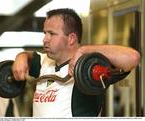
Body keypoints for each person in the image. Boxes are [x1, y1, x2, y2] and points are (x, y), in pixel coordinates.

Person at [12, 8, 140, 117]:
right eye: (45, 33)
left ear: (72, 38)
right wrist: (21, 56)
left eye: (51, 34)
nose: (45, 39)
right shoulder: (43, 62)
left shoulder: (90, 66)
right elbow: (29, 56)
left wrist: (83, 50)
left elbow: (133, 57)